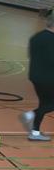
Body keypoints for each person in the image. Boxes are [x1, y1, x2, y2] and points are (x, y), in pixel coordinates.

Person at [21, 10, 54, 141]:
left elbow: (30, 55)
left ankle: (34, 133)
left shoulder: (36, 37)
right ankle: (30, 115)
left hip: (35, 76)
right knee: (48, 105)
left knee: (44, 104)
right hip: (49, 78)